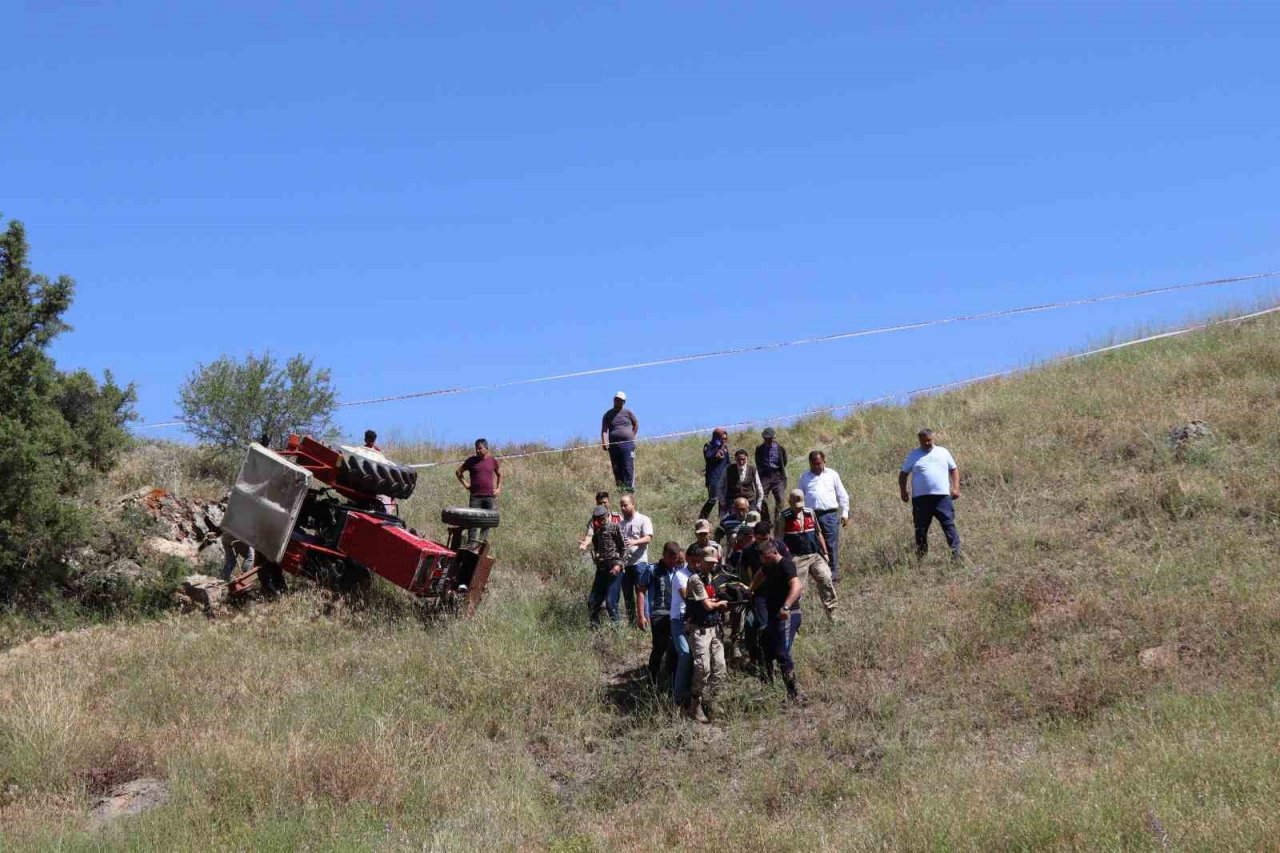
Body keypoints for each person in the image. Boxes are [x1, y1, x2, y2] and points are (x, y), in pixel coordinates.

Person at [748, 539, 804, 701]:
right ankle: (769, 688)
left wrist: (786, 607)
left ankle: (795, 692)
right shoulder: (768, 565)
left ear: (773, 553)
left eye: (765, 558)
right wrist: (751, 589)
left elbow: (796, 586)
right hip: (774, 614)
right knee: (765, 645)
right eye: (762, 559)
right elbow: (760, 573)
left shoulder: (786, 565)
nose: (763, 561)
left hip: (788, 614)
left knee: (782, 652)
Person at [899, 428, 962, 559]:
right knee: (920, 529)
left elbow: (954, 469)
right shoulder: (913, 455)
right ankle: (921, 557)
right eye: (923, 441)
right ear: (919, 441)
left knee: (948, 525)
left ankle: (956, 554)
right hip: (921, 500)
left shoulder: (943, 452)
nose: (927, 443)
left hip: (942, 498)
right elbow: (903, 474)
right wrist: (903, 491)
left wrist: (956, 488)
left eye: (929, 440)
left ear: (933, 439)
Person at [683, 546, 729, 722]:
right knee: (703, 667)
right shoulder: (695, 579)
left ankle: (714, 701)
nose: (711, 566)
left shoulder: (714, 578)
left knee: (720, 667)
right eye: (708, 563)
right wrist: (719, 604)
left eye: (714, 563)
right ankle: (696, 704)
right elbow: (707, 606)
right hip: (700, 630)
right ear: (699, 562)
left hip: (714, 628)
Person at [777, 489, 838, 618]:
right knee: (797, 590)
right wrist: (784, 560)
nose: (798, 509)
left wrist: (825, 553)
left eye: (800, 505)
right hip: (796, 558)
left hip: (814, 555)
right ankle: (794, 619)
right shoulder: (784, 517)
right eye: (795, 506)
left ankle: (833, 614)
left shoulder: (810, 513)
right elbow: (779, 540)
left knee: (826, 579)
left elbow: (818, 533)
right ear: (790, 502)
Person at [797, 450, 850, 582]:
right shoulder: (804, 477)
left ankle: (833, 574)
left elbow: (842, 495)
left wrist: (845, 512)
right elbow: (799, 497)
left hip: (829, 515)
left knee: (831, 544)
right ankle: (820, 574)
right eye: (813, 464)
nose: (816, 466)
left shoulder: (832, 475)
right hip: (810, 515)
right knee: (814, 545)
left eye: (818, 464)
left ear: (824, 461)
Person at [636, 543, 682, 684]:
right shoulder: (652, 570)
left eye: (675, 558)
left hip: (676, 615)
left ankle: (672, 679)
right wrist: (641, 615)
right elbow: (641, 592)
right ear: (664, 555)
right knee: (659, 647)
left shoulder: (680, 571)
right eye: (670, 558)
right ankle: (652, 680)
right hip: (658, 614)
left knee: (674, 647)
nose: (672, 561)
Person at [586, 505, 626, 628]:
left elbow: (624, 547)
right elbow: (597, 550)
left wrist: (619, 565)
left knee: (610, 602)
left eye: (603, 518)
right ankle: (595, 631)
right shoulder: (597, 533)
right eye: (598, 519)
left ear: (608, 516)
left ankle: (617, 631)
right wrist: (597, 557)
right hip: (602, 569)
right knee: (592, 602)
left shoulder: (615, 527)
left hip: (614, 567)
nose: (601, 521)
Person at [455, 438, 501, 545]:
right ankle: (471, 545)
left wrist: (498, 488)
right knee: (473, 521)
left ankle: (481, 545)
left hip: (489, 497)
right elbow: (458, 472)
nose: (478, 450)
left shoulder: (492, 461)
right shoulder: (471, 461)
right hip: (475, 496)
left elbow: (499, 475)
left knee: (487, 522)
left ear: (486, 448)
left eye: (480, 448)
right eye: (476, 448)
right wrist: (465, 484)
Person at [618, 494, 654, 626]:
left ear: (633, 504)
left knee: (641, 592)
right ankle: (632, 622)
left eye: (625, 505)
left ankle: (645, 621)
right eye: (621, 505)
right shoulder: (621, 524)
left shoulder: (643, 519)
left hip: (640, 562)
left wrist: (633, 542)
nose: (623, 508)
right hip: (625, 565)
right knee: (627, 595)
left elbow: (648, 538)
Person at [668, 550, 694, 706]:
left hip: (694, 620)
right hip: (679, 619)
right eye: (694, 561)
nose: (697, 564)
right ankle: (678, 697)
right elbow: (688, 598)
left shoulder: (704, 575)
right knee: (685, 654)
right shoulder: (680, 576)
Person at [600, 392, 639, 493]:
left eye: (620, 400)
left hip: (627, 444)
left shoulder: (628, 413)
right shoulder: (608, 414)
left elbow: (636, 423)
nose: (618, 401)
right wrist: (604, 442)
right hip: (614, 445)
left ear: (624, 402)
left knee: (628, 465)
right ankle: (620, 488)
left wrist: (631, 435)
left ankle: (629, 488)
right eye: (616, 399)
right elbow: (604, 429)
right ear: (614, 400)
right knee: (617, 466)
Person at [754, 427, 789, 525]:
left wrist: (779, 472)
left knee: (780, 499)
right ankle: (766, 521)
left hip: (777, 475)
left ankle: (778, 521)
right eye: (765, 438)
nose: (767, 440)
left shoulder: (780, 448)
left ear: (773, 437)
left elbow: (784, 461)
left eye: (769, 438)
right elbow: (758, 461)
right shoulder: (759, 448)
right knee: (761, 497)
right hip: (765, 476)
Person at [700, 427, 731, 520]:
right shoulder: (708, 446)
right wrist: (717, 448)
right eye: (722, 438)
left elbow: (728, 462)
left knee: (723, 500)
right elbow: (709, 457)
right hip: (713, 479)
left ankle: (722, 520)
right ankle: (702, 518)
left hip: (724, 478)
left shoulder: (725, 448)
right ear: (716, 438)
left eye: (725, 438)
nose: (724, 440)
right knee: (713, 499)